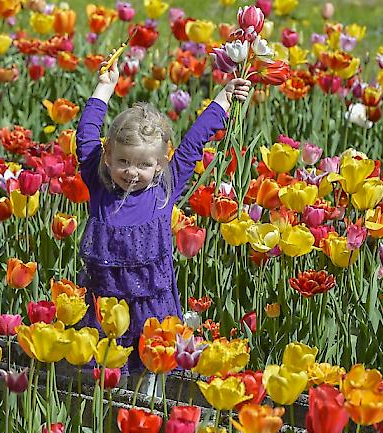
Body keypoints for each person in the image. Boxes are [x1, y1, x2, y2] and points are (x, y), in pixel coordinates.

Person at [76, 56, 251, 376]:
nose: (131, 172)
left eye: (143, 165)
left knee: (152, 377)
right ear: (108, 156)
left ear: (159, 164)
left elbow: (193, 144)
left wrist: (223, 99)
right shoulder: (99, 185)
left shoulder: (163, 191)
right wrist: (104, 89)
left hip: (152, 312)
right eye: (123, 161)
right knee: (104, 376)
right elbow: (86, 136)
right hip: (105, 310)